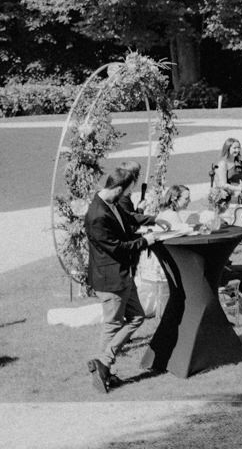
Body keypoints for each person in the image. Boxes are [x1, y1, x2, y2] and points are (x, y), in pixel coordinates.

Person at [84, 163, 162, 394]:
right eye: (127, 190)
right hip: (110, 278)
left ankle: (103, 365)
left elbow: (127, 218)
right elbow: (117, 248)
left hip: (121, 275)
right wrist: (146, 241)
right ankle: (104, 364)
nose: (128, 195)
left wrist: (153, 219)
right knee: (113, 324)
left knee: (137, 316)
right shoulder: (97, 215)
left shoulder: (111, 203)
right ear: (118, 187)